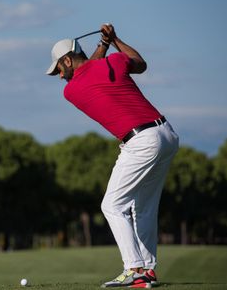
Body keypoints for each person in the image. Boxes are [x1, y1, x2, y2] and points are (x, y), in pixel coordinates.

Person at [46, 24, 179, 288]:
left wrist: (105, 43)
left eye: (59, 69)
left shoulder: (71, 90)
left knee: (112, 205)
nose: (60, 76)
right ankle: (147, 271)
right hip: (166, 135)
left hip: (141, 141)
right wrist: (113, 41)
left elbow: (88, 70)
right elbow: (139, 64)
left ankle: (134, 269)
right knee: (142, 207)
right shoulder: (114, 63)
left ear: (68, 60)